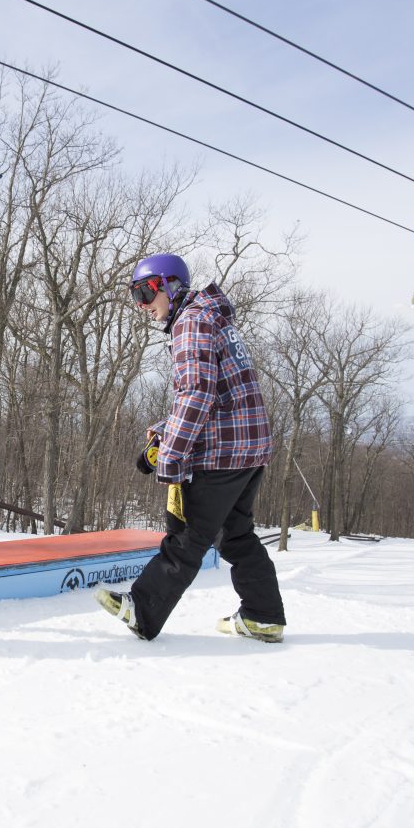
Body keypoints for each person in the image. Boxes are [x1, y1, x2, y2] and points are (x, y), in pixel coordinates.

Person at [94, 252, 288, 643]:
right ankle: (263, 616)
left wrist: (172, 455)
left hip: (222, 451)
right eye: (136, 297)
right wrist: (164, 434)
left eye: (146, 293)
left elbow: (197, 392)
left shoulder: (192, 322)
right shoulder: (209, 317)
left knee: (187, 535)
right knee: (235, 534)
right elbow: (211, 394)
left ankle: (143, 611)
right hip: (247, 446)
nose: (143, 306)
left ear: (170, 286)